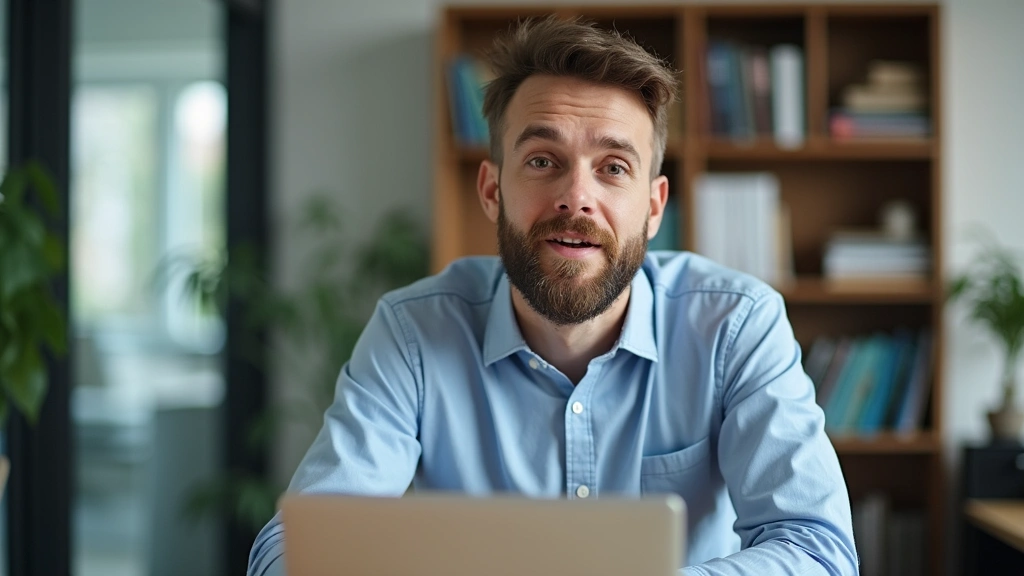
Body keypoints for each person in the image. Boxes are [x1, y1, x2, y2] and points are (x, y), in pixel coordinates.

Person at [248, 16, 858, 576]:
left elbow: (817, 548)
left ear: (653, 207)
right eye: (543, 160)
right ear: (492, 190)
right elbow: (294, 546)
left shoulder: (735, 325)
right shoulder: (413, 333)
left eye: (614, 167)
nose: (576, 197)